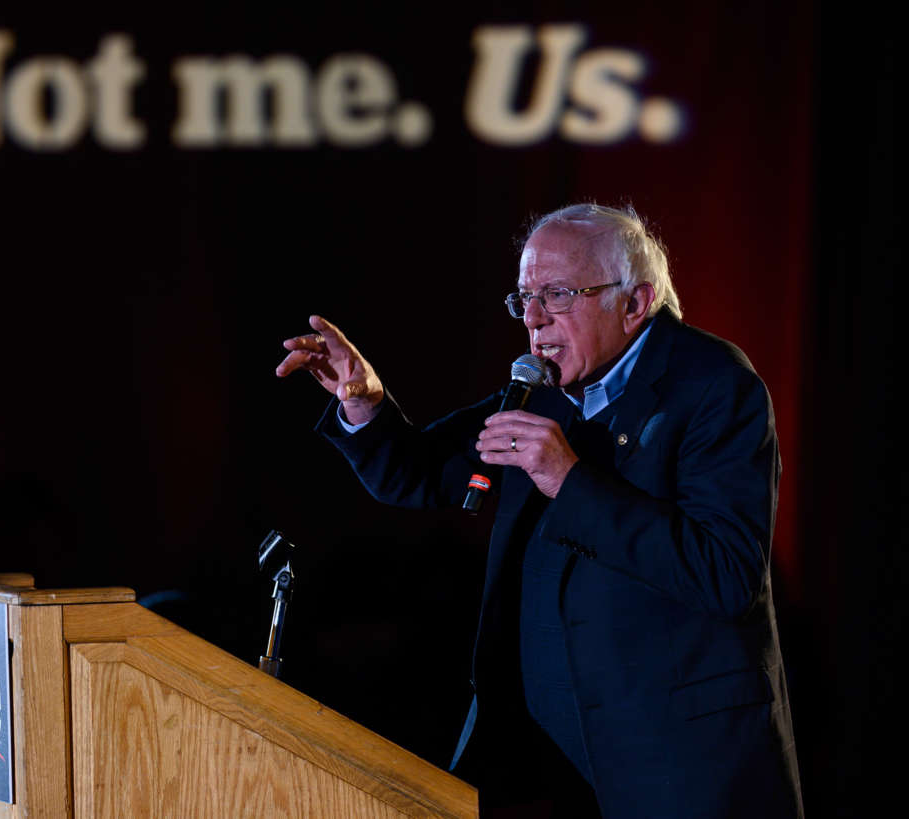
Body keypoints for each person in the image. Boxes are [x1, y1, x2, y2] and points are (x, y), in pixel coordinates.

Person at [275, 204, 803, 818]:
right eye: (523, 298)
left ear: (635, 303)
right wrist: (364, 403)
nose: (532, 319)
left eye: (556, 294)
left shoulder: (715, 387)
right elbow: (418, 472)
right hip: (539, 766)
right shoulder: (543, 390)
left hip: (676, 761)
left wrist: (568, 478)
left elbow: (725, 573)